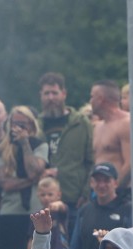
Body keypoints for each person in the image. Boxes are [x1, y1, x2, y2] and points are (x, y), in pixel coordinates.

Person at [0, 106, 49, 249]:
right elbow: (6, 184)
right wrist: (32, 180)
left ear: (31, 125)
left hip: (34, 212)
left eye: (23, 124)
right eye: (15, 123)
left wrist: (25, 144)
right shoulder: (1, 150)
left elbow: (33, 170)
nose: (18, 128)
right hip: (10, 213)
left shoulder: (39, 145)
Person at [38, 72, 94, 212]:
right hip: (42, 200)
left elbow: (91, 160)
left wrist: (86, 193)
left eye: (54, 93)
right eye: (46, 93)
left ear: (64, 94)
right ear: (41, 95)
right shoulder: (36, 125)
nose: (50, 98)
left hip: (74, 198)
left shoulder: (81, 123)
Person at [69, 162, 132, 249]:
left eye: (106, 180)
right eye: (98, 180)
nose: (102, 185)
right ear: (91, 183)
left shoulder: (128, 210)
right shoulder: (84, 211)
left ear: (115, 183)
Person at [90, 80, 133, 189]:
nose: (90, 101)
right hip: (100, 193)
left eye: (92, 97)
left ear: (100, 99)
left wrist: (115, 189)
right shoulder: (98, 127)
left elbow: (130, 163)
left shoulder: (126, 123)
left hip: (120, 192)